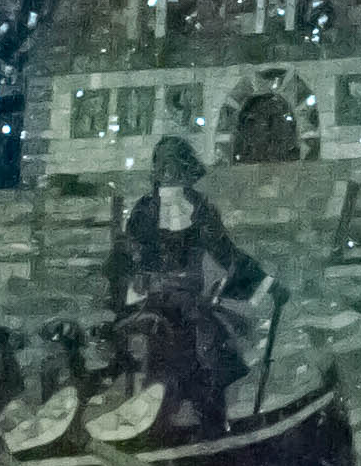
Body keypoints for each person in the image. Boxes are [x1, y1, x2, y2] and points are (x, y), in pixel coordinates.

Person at [101, 133, 267, 433]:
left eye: (175, 167)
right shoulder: (144, 211)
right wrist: (133, 282)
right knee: (171, 357)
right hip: (151, 302)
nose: (169, 174)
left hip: (191, 301)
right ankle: (162, 429)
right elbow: (125, 259)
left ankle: (212, 429)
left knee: (210, 350)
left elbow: (225, 252)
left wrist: (263, 282)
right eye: (164, 167)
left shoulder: (200, 208)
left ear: (187, 171)